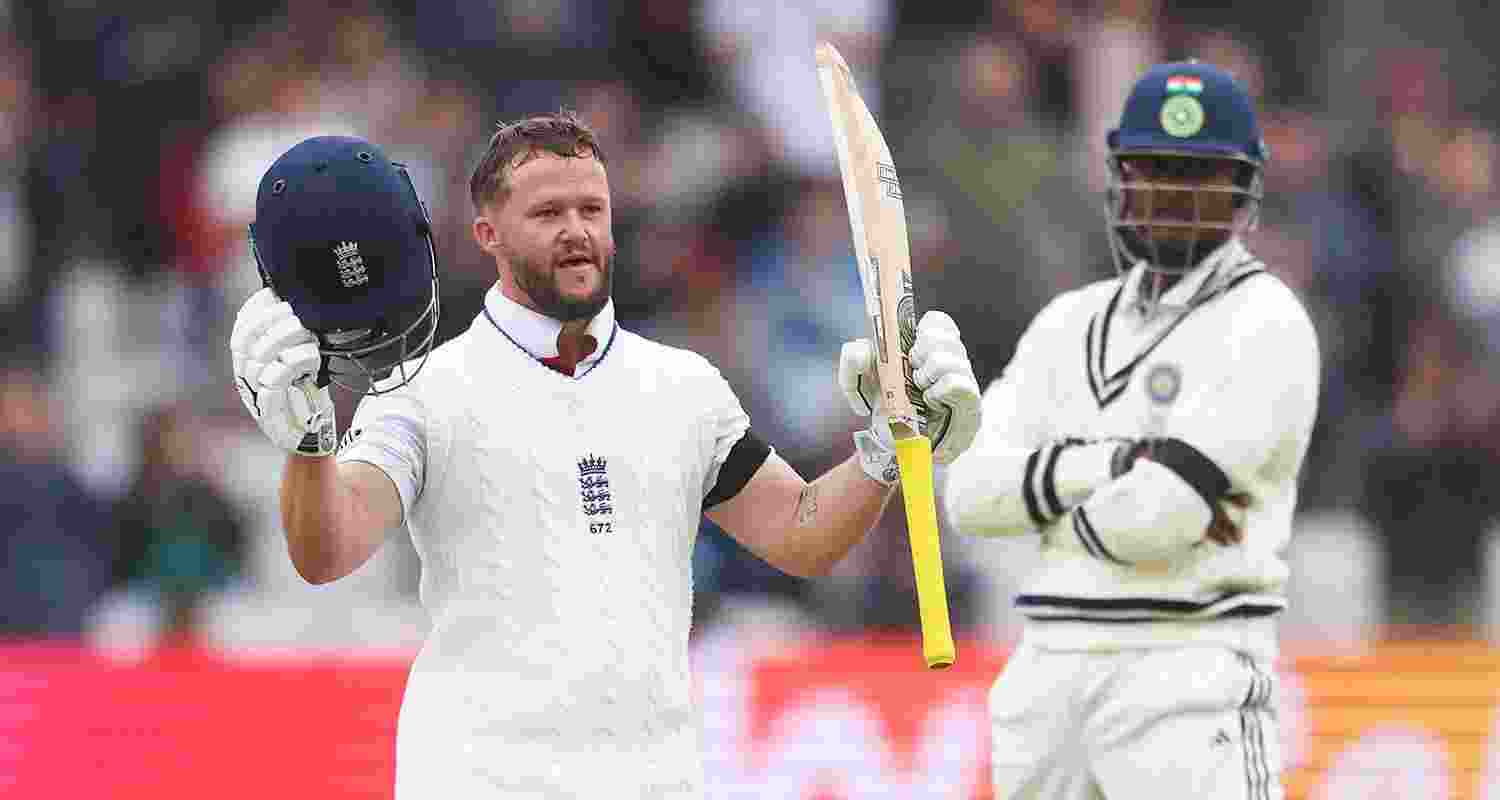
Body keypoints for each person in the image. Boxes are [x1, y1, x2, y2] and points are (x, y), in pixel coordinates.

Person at [228, 118, 981, 797]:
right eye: (547, 213)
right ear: (487, 233)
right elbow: (328, 549)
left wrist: (888, 444)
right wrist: (308, 443)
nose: (577, 231)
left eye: (592, 210)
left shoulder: (682, 388)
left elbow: (804, 533)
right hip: (477, 776)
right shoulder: (424, 392)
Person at [942, 61, 1319, 799]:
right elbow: (970, 497)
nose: (1172, 192)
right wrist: (1111, 465)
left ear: (1243, 189)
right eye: (1153, 168)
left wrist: (1040, 504)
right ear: (1119, 178)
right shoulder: (1064, 323)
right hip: (1046, 670)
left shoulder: (1267, 322)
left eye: (1198, 172)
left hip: (1188, 669)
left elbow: (1160, 519)